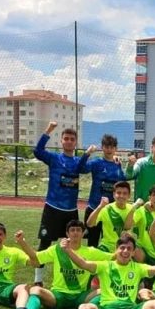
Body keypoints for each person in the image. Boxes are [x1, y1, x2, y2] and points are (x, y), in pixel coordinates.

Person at [33, 121, 97, 286]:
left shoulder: (78, 162)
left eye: (72, 139)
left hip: (71, 210)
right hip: (53, 208)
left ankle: (71, 277)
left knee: (72, 244)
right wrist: (49, 129)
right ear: (61, 141)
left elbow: (86, 168)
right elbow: (37, 151)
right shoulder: (54, 158)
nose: (69, 141)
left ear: (76, 143)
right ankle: (38, 280)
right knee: (45, 243)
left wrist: (92, 155)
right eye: (66, 139)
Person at [26, 220, 112, 309]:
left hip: (81, 296)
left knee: (106, 291)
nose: (75, 232)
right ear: (67, 233)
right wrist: (22, 243)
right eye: (72, 230)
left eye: (78, 230)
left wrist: (128, 250)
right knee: (35, 290)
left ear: (83, 233)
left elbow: (113, 257)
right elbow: (36, 257)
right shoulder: (56, 249)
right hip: (58, 295)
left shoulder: (91, 251)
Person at [81, 134, 128, 247]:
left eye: (111, 147)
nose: (109, 150)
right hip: (94, 208)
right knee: (92, 243)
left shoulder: (117, 165)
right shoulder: (96, 163)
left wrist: (124, 166)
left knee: (110, 241)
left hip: (110, 211)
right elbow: (81, 169)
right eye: (106, 147)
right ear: (102, 147)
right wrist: (87, 154)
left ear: (115, 149)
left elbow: (123, 181)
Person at [86, 180, 134, 253]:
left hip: (125, 247)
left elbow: (129, 227)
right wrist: (100, 207)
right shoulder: (106, 209)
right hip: (106, 246)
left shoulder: (132, 209)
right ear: (114, 194)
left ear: (129, 196)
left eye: (125, 193)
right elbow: (90, 224)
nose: (121, 196)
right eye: (119, 193)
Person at [125, 135, 155, 202]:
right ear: (152, 147)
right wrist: (130, 166)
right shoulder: (142, 162)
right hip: (141, 204)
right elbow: (128, 176)